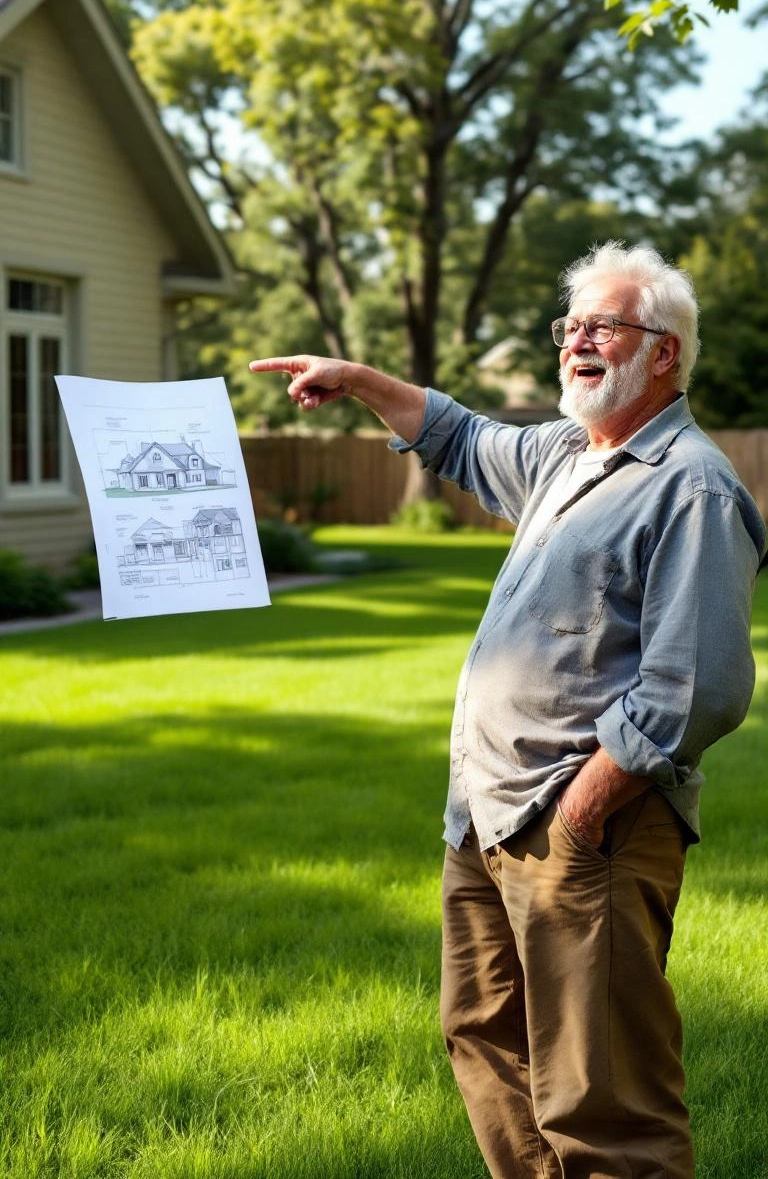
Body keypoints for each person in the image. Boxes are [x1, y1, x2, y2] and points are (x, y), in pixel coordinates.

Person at [249, 242, 765, 1178]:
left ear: (666, 354)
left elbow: (702, 682)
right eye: (571, 326)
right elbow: (452, 433)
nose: (578, 342)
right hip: (483, 818)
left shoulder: (690, 486)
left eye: (605, 325)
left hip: (585, 826)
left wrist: (587, 801)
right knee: (487, 1042)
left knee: (604, 1097)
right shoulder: (568, 453)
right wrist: (359, 379)